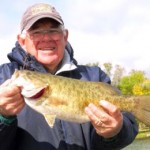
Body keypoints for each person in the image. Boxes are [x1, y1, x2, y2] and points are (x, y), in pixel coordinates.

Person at [0, 3, 138, 150]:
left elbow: (128, 127)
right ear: (22, 41)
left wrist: (115, 132)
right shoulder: (3, 78)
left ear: (65, 36)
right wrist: (3, 116)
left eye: (53, 31)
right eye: (36, 32)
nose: (46, 38)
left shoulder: (95, 76)